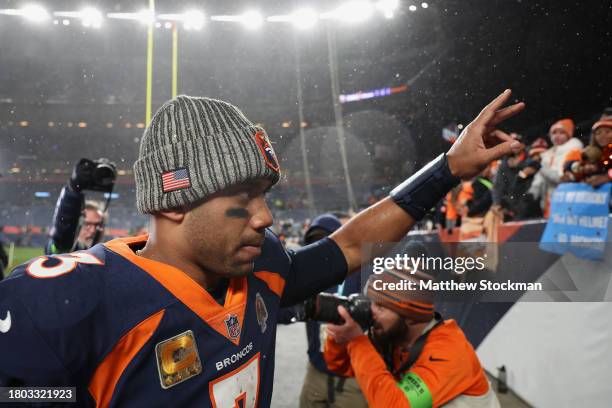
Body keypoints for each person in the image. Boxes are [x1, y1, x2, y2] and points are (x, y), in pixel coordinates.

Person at [0, 91, 524, 406]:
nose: (265, 216)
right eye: (243, 196)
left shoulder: (264, 269)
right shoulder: (65, 302)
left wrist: (448, 169)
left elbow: (347, 243)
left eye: (265, 195)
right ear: (176, 199)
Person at [324, 267, 500, 407]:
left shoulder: (449, 351)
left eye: (381, 307)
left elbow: (395, 405)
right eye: (371, 303)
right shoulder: (392, 335)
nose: (371, 312)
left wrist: (356, 342)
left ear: (410, 318)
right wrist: (339, 336)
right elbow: (341, 366)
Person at [294, 213, 367, 408]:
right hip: (316, 370)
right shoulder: (306, 279)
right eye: (313, 242)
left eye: (324, 241)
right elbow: (286, 309)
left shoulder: (361, 273)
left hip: (353, 376)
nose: (318, 248)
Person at [45, 158, 115, 255]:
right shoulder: (62, 252)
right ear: (76, 225)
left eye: (98, 225)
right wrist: (72, 191)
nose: (92, 230)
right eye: (87, 224)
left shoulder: (108, 256)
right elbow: (61, 240)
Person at [528, 118, 583, 217]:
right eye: (554, 133)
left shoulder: (575, 151)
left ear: (569, 135)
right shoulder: (548, 154)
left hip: (567, 202)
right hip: (549, 203)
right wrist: (532, 194)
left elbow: (560, 179)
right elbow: (539, 179)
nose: (556, 136)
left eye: (561, 132)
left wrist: (540, 167)